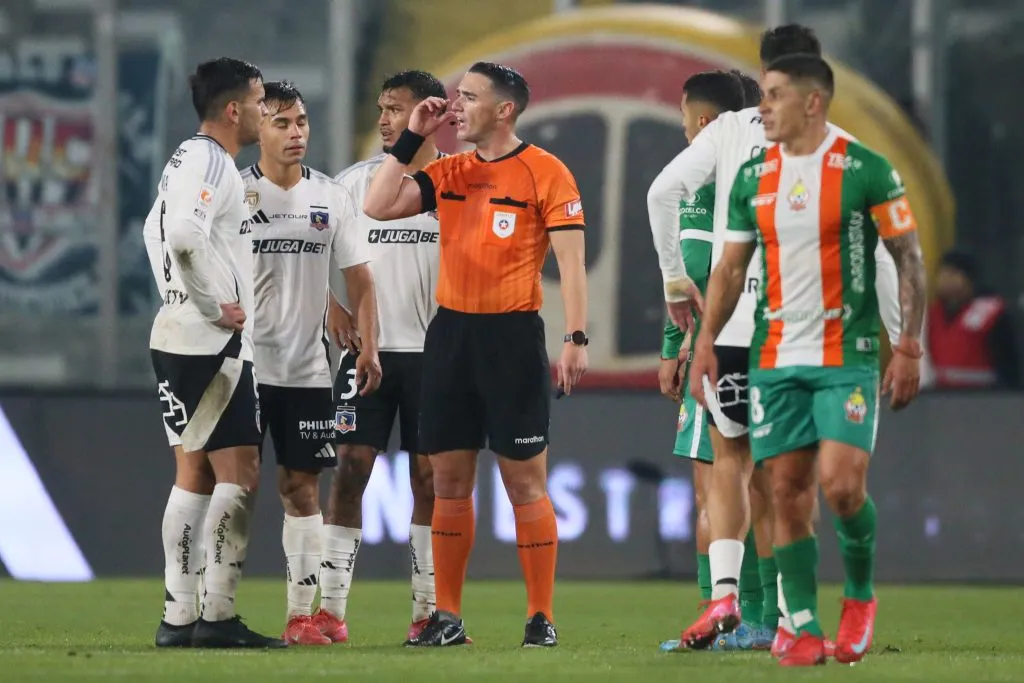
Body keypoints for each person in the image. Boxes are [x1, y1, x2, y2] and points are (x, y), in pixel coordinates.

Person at [646, 24, 903, 655]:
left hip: (759, 332)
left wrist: (678, 287)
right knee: (789, 480)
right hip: (789, 332)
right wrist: (903, 339)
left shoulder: (735, 132)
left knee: (742, 471)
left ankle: (740, 602)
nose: (771, 98)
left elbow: (664, 193)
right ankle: (787, 616)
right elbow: (885, 256)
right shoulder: (845, 153)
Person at [363, 61, 589, 648]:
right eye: (455, 97)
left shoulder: (546, 172)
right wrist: (413, 134)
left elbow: (572, 263)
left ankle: (541, 616)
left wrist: (576, 337)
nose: (455, 106)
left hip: (511, 339)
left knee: (525, 484)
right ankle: (448, 616)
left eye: (468, 97)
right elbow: (377, 205)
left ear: (504, 109)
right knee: (448, 480)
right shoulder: (450, 170)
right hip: (451, 337)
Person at [143, 57, 285, 649]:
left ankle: (179, 618)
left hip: (179, 337)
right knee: (241, 473)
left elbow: (154, 231)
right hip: (211, 343)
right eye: (259, 101)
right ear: (234, 110)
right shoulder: (209, 160)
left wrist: (176, 295)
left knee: (195, 473)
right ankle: (218, 615)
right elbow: (181, 237)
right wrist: (210, 305)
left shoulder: (185, 159)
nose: (265, 111)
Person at [242, 80, 380, 645]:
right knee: (232, 489)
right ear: (257, 129)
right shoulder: (232, 195)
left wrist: (367, 345)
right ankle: (205, 604)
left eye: (301, 121)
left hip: (306, 372)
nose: (296, 132)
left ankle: (302, 617)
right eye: (282, 123)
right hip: (241, 368)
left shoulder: (330, 197)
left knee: (302, 490)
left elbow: (361, 280)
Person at [316, 70, 447, 645]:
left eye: (395, 108)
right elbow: (303, 254)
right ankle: (331, 612)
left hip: (437, 357)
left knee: (429, 479)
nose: (384, 118)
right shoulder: (353, 185)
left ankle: (427, 612)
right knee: (350, 470)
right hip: (366, 353)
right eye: (381, 107)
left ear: (428, 114)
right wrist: (331, 311)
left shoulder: (457, 183)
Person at [655, 70, 774, 653]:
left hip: (724, 343)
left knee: (731, 487)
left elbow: (694, 277)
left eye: (683, 118)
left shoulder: (704, 189)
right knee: (750, 485)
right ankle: (747, 614)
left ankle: (743, 615)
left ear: (706, 123)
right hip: (726, 339)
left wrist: (675, 347)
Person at [922, 248, 1020, 389]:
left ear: (970, 280)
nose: (945, 279)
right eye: (942, 273)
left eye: (953, 274)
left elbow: (1009, 366)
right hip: (941, 398)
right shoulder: (931, 316)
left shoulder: (993, 315)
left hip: (984, 398)